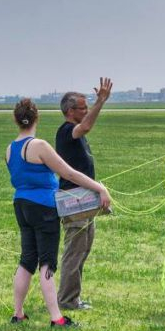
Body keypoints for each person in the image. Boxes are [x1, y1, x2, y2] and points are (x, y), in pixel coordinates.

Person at [7, 98, 111, 328]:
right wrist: (99, 187)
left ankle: (18, 313)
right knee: (47, 263)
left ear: (16, 119)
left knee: (26, 260)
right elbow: (69, 173)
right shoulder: (39, 146)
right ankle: (57, 317)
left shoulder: (10, 148)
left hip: (21, 205)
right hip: (43, 207)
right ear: (36, 118)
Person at [55, 79, 112, 311]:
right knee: (74, 251)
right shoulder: (67, 131)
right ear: (70, 111)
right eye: (82, 108)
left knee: (84, 248)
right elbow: (86, 127)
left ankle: (73, 298)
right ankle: (67, 301)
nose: (86, 111)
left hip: (84, 199)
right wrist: (101, 102)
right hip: (74, 200)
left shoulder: (73, 131)